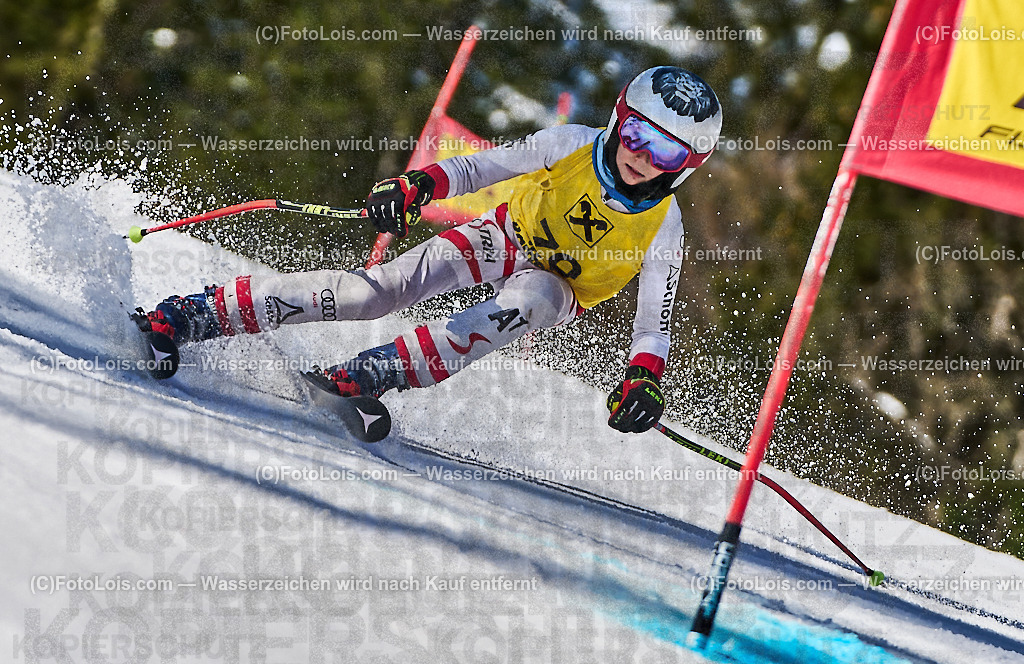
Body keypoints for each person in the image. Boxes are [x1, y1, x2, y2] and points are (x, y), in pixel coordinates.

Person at [141, 66, 723, 433]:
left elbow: (653, 327)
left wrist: (644, 376)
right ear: (619, 120)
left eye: (666, 153)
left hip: (557, 286)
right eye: (638, 135)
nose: (642, 157)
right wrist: (418, 186)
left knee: (540, 297)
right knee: (377, 292)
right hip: (503, 237)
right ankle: (191, 314)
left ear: (684, 170)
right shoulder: (570, 144)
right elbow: (479, 167)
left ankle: (368, 374)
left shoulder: (663, 227)